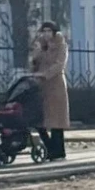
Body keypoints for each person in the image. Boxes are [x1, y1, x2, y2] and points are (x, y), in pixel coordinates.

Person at [31, 21, 69, 161]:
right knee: (41, 120)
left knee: (56, 120)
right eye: (44, 31)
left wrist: (45, 74)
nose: (46, 34)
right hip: (42, 86)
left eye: (49, 31)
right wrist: (35, 56)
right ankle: (51, 149)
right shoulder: (41, 46)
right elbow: (34, 64)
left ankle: (58, 151)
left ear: (54, 32)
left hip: (56, 85)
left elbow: (60, 64)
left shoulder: (61, 45)